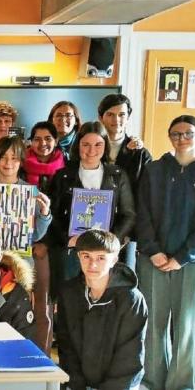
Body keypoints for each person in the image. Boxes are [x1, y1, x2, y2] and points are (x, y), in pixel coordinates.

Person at [136, 115, 195, 390]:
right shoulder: (154, 170)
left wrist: (183, 257)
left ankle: (181, 385)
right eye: (176, 134)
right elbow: (142, 214)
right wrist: (153, 251)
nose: (182, 139)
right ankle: (153, 381)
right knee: (153, 325)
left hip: (192, 262)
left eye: (188, 133)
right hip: (153, 259)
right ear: (169, 137)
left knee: (187, 326)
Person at [0, 136, 52, 351]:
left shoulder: (30, 192)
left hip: (20, 260)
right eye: (3, 158)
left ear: (21, 161)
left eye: (14, 158)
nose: (8, 163)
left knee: (20, 309)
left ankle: (19, 353)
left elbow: (35, 236)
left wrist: (44, 213)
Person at [48, 121, 136, 288]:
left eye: (98, 144)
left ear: (105, 146)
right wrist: (68, 239)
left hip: (105, 254)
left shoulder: (117, 176)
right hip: (72, 252)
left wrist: (110, 241)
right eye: (86, 144)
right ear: (77, 145)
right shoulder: (63, 175)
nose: (91, 150)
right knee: (70, 298)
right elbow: (52, 214)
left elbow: (129, 215)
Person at [57, 230, 147, 390]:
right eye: (86, 256)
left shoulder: (131, 299)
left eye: (101, 258)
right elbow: (66, 347)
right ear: (78, 257)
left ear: (114, 260)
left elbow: (130, 357)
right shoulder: (69, 293)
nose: (92, 264)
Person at [98, 94, 152, 271]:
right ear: (101, 117)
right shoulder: (91, 146)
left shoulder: (140, 153)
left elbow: (145, 195)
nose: (116, 119)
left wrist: (130, 231)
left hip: (126, 228)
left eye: (121, 114)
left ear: (128, 117)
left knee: (124, 278)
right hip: (94, 223)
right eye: (110, 114)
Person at [22, 121, 65, 193]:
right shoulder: (20, 164)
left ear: (56, 142)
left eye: (48, 139)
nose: (43, 143)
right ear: (31, 142)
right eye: (37, 139)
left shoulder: (67, 166)